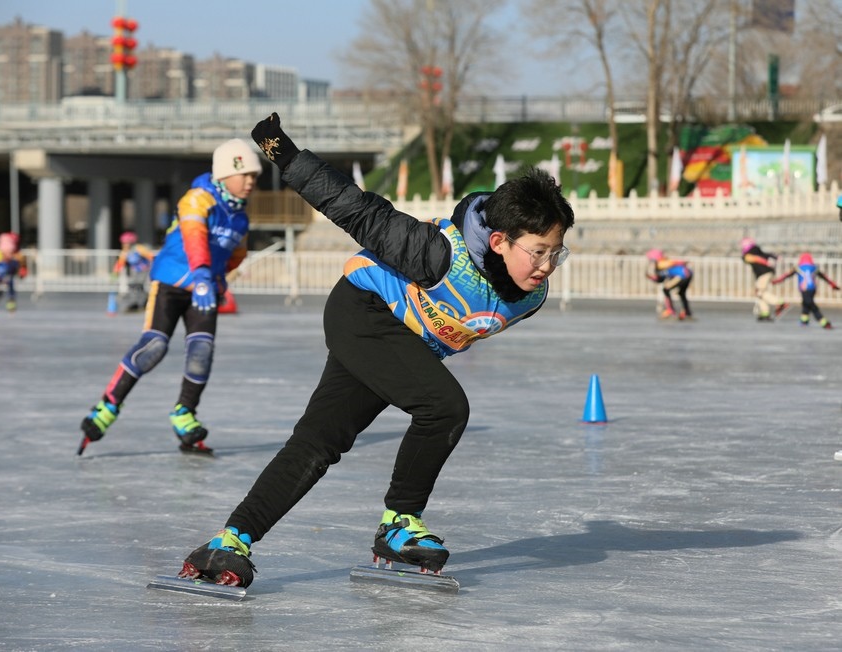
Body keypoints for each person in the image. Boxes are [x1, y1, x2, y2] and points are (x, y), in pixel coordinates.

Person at [178, 113, 575, 588]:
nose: (547, 265)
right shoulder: (435, 253)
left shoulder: (530, 297)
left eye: (556, 252)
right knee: (444, 407)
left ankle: (230, 540)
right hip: (363, 313)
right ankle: (400, 522)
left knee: (318, 441)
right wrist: (284, 154)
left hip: (401, 341)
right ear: (498, 241)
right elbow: (356, 209)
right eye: (538, 251)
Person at [78, 138, 262, 455]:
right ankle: (108, 404)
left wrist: (218, 277)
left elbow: (237, 254)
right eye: (244, 174)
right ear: (224, 173)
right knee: (154, 346)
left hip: (204, 288)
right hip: (172, 282)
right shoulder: (198, 199)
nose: (250, 181)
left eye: (254, 176)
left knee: (201, 350)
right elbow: (194, 235)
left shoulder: (240, 217)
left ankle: (184, 413)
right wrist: (202, 274)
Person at [772, 252, 839, 329]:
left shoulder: (798, 268)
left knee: (811, 305)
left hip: (804, 289)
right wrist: (833, 284)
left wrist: (776, 281)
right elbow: (824, 277)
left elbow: (786, 275)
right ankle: (804, 320)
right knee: (806, 303)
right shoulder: (814, 268)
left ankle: (823, 321)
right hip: (812, 289)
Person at [740, 237, 789, 322]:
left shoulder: (748, 254)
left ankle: (780, 302)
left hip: (764, 273)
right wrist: (775, 257)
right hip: (767, 272)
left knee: (760, 292)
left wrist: (766, 262)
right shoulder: (757, 250)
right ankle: (765, 313)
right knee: (759, 293)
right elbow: (766, 255)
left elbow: (757, 259)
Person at [112, 231, 155, 312]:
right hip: (134, 271)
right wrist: (115, 273)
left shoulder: (138, 248)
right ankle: (137, 302)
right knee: (134, 286)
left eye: (126, 243)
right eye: (123, 243)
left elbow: (151, 256)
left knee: (138, 285)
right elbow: (120, 263)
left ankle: (143, 302)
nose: (125, 245)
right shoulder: (125, 252)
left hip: (144, 270)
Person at [645, 249, 694, 320]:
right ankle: (687, 312)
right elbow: (661, 279)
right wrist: (651, 278)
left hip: (682, 275)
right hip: (687, 275)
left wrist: (683, 262)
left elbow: (673, 263)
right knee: (681, 293)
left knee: (666, 289)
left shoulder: (661, 264)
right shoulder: (661, 264)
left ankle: (670, 311)